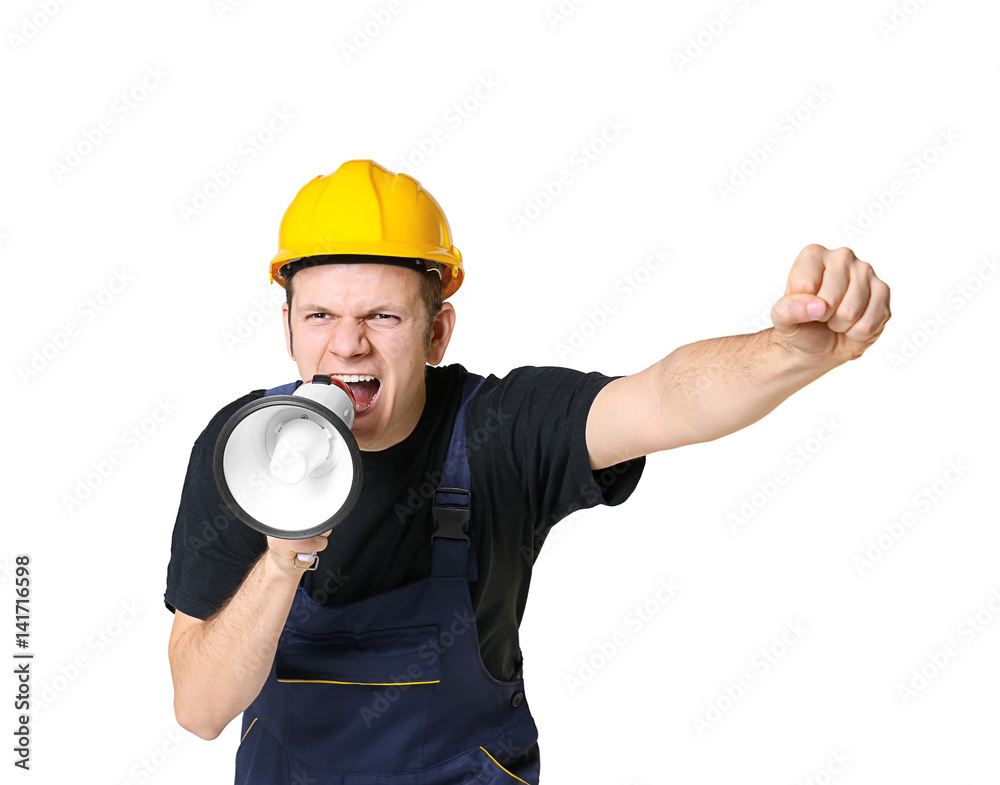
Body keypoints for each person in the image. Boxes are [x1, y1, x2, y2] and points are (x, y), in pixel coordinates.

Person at [165, 159, 891, 784]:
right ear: (287, 328)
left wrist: (786, 352)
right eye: (320, 315)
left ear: (437, 332)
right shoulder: (241, 451)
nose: (348, 344)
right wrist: (283, 553)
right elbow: (199, 709)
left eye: (382, 317)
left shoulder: (499, 429)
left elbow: (661, 398)